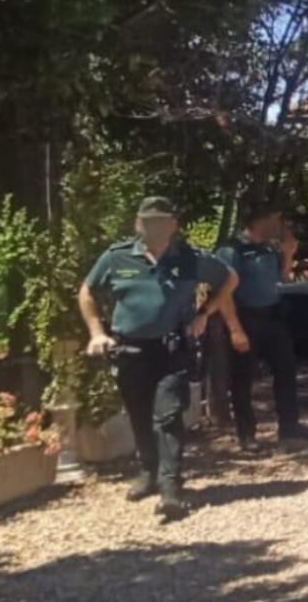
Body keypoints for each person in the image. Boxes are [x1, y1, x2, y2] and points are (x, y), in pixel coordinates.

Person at [79, 197, 241, 521]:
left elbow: (230, 279)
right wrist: (96, 332)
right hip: (130, 351)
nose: (154, 226)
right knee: (138, 414)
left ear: (173, 225)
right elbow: (86, 292)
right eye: (147, 221)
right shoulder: (117, 257)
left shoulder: (190, 259)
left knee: (167, 416)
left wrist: (205, 313)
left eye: (161, 220)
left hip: (171, 350)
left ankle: (170, 489)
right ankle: (149, 472)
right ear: (138, 224)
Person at [215, 206, 308, 449]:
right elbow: (222, 293)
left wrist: (289, 254)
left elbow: (282, 279)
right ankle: (247, 434)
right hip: (246, 318)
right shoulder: (232, 250)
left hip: (273, 316)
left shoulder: (269, 248)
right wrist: (235, 329)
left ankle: (290, 427)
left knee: (286, 370)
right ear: (261, 219)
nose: (281, 224)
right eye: (276, 218)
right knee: (243, 378)